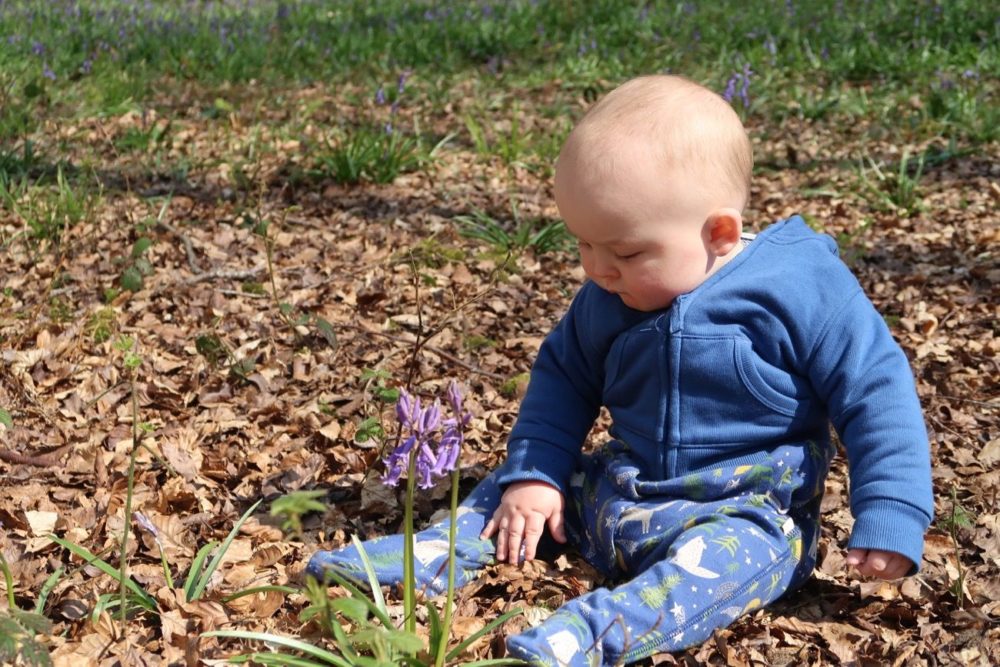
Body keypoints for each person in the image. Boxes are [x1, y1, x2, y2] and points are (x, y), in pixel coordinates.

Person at [308, 74, 933, 666]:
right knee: (521, 489)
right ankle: (437, 552)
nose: (597, 270)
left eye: (626, 252)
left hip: (743, 508)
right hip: (621, 489)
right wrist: (536, 475)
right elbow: (562, 379)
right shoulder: (608, 299)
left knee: (729, 562)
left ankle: (594, 630)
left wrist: (893, 510)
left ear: (718, 232)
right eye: (583, 244)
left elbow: (876, 392)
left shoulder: (801, 289)